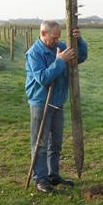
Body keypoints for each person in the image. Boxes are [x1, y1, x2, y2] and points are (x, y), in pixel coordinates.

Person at [25, 20, 88, 193]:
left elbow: (80, 57)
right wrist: (60, 61)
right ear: (43, 33)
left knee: (56, 142)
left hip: (58, 101)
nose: (57, 41)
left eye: (58, 37)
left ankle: (53, 174)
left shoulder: (59, 47)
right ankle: (40, 179)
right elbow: (43, 78)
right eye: (53, 37)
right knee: (40, 142)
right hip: (41, 102)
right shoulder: (34, 53)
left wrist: (79, 41)